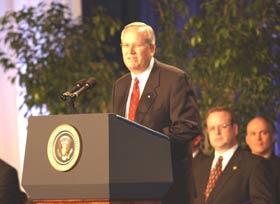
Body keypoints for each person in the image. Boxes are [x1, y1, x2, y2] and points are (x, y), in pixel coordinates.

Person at [111, 22, 201, 204]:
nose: (130, 51)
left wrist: (145, 142)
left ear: (152, 48)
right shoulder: (120, 86)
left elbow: (188, 126)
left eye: (136, 45)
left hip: (165, 189)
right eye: (125, 45)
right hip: (127, 187)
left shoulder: (174, 79)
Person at [193, 107, 275, 204]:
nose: (217, 132)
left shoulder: (254, 165)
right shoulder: (199, 168)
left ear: (235, 129)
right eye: (212, 128)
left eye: (223, 126)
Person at [246, 116, 280, 204]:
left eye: (263, 133)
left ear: (273, 137)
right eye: (253, 134)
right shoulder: (238, 166)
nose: (258, 138)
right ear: (247, 140)